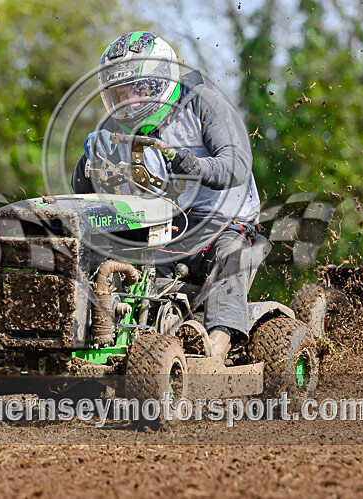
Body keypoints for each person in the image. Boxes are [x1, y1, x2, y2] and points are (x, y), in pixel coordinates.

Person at [71, 31, 262, 359]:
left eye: (132, 92)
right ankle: (83, 335)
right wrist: (90, 163)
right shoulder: (125, 129)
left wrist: (194, 165)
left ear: (159, 81)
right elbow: (84, 191)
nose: (124, 104)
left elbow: (236, 165)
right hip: (163, 224)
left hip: (221, 225)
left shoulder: (204, 103)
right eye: (115, 96)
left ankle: (217, 344)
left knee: (230, 253)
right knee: (94, 243)